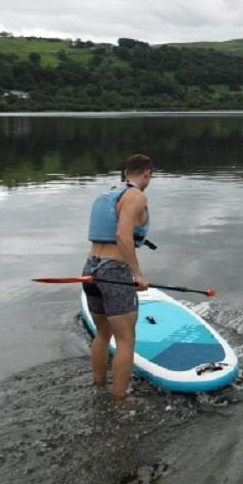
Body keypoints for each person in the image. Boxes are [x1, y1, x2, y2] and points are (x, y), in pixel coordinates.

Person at [83, 153, 154, 400]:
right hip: (114, 270)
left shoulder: (107, 194)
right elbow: (123, 236)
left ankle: (99, 387)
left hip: (90, 267)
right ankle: (119, 402)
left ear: (125, 173)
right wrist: (136, 274)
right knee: (126, 339)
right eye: (150, 175)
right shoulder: (136, 196)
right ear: (147, 173)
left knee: (103, 334)